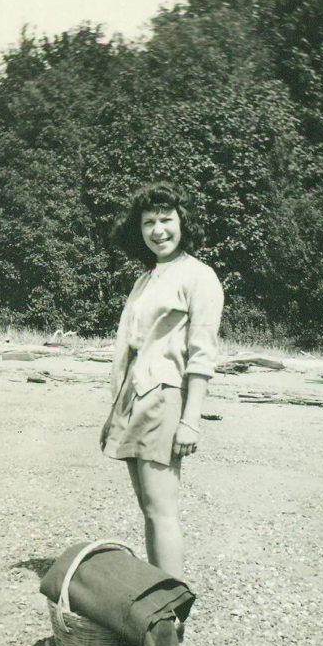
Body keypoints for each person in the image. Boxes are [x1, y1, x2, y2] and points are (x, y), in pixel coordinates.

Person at [100, 181, 224, 614]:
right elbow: (130, 345)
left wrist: (191, 420)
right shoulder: (147, 277)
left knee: (161, 509)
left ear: (183, 223)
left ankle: (171, 615)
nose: (157, 230)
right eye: (149, 222)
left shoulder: (199, 276)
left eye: (166, 220)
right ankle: (160, 606)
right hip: (137, 396)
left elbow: (202, 356)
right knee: (149, 510)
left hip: (165, 396)